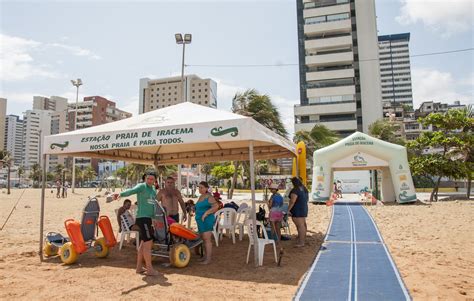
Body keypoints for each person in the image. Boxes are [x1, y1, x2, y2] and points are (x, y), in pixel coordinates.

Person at [113, 171, 159, 276]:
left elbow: (153, 206)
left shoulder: (152, 190)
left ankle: (139, 268)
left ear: (155, 180)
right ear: (145, 178)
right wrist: (120, 194)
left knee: (143, 244)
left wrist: (154, 218)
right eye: (148, 178)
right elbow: (131, 191)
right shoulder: (142, 186)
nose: (149, 180)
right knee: (148, 244)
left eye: (152, 179)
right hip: (142, 218)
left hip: (148, 219)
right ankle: (149, 269)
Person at [195, 181, 218, 264]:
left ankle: (208, 259)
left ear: (206, 188)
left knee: (207, 239)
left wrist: (206, 213)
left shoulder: (209, 197)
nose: (200, 189)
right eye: (199, 187)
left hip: (207, 220)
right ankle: (205, 256)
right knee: (203, 239)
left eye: (202, 187)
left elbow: (216, 206)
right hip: (200, 221)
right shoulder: (201, 196)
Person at [288, 177, 308, 248]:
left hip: (297, 209)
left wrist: (288, 210)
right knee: (303, 225)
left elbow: (292, 201)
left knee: (300, 226)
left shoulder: (295, 190)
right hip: (303, 208)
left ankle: (301, 242)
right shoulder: (304, 188)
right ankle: (302, 239)